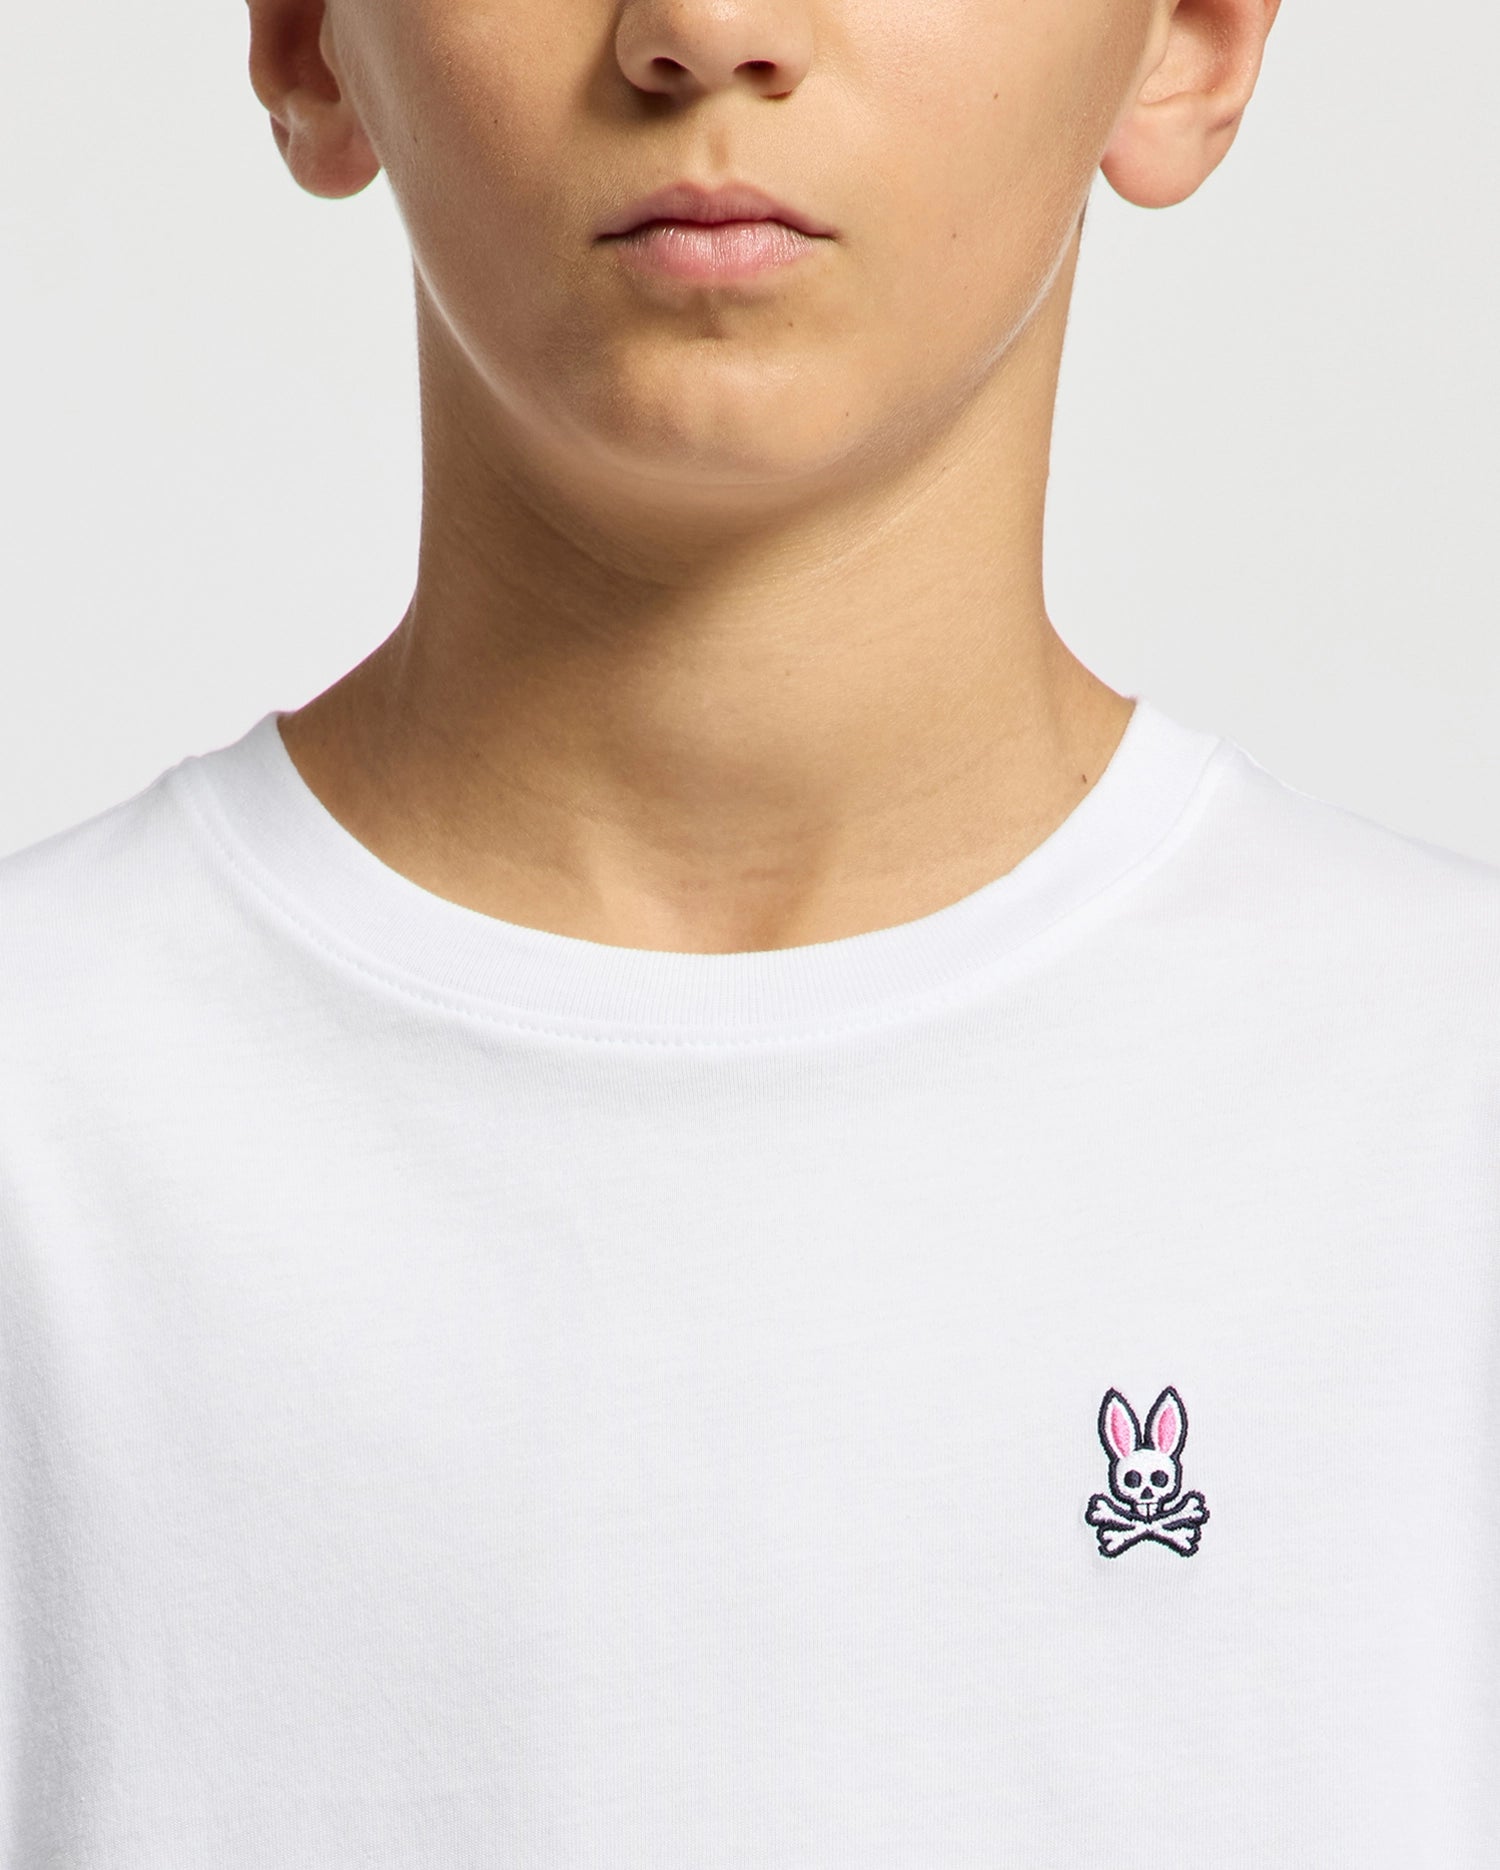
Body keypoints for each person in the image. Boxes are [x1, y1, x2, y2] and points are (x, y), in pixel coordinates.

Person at [1, 0, 1495, 1862]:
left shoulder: (1447, 1134)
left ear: (1186, 40)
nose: (709, 28)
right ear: (311, 39)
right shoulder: (45, 1134)